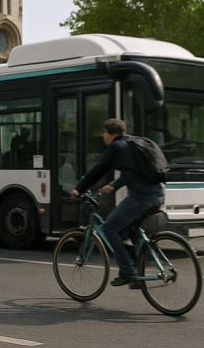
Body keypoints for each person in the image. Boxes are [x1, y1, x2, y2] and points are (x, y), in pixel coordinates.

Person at [70, 118, 165, 287]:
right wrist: (113, 186)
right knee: (130, 228)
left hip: (140, 197)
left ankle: (129, 272)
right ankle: (136, 274)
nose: (103, 136)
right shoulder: (137, 143)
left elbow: (99, 169)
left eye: (105, 133)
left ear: (112, 134)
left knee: (109, 229)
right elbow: (132, 174)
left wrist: (79, 189)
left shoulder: (116, 147)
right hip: (158, 195)